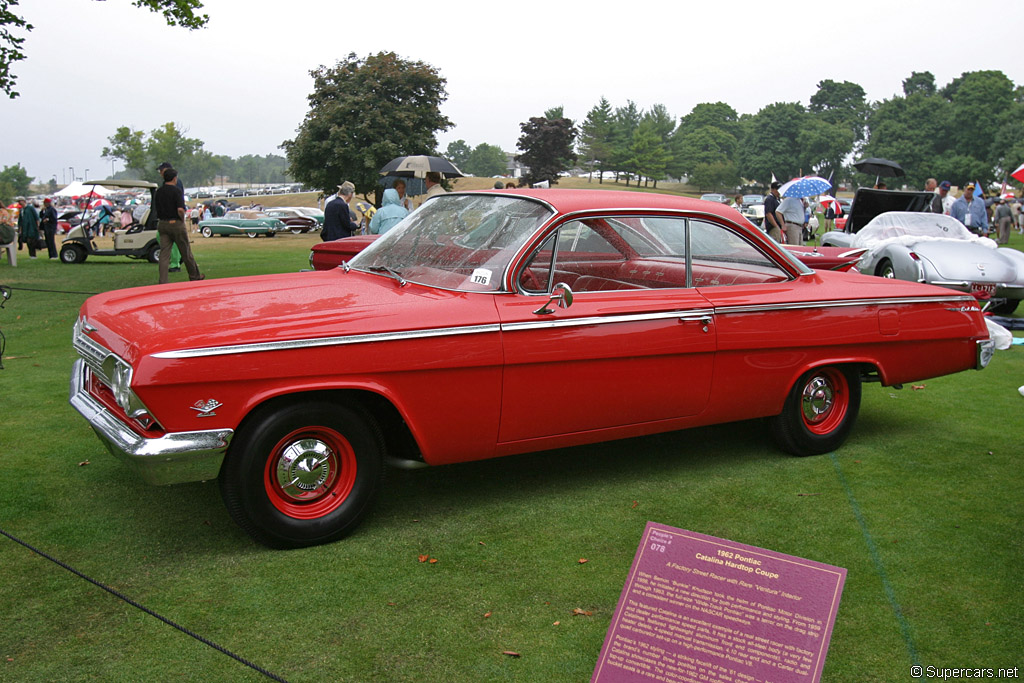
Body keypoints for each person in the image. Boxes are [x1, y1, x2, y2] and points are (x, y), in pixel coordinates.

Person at [154, 167, 203, 284]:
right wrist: (182, 219)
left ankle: (163, 280)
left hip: (162, 224)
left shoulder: (159, 192)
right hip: (175, 223)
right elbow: (180, 209)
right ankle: (194, 276)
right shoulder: (176, 191)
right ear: (175, 178)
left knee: (164, 254)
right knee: (185, 252)